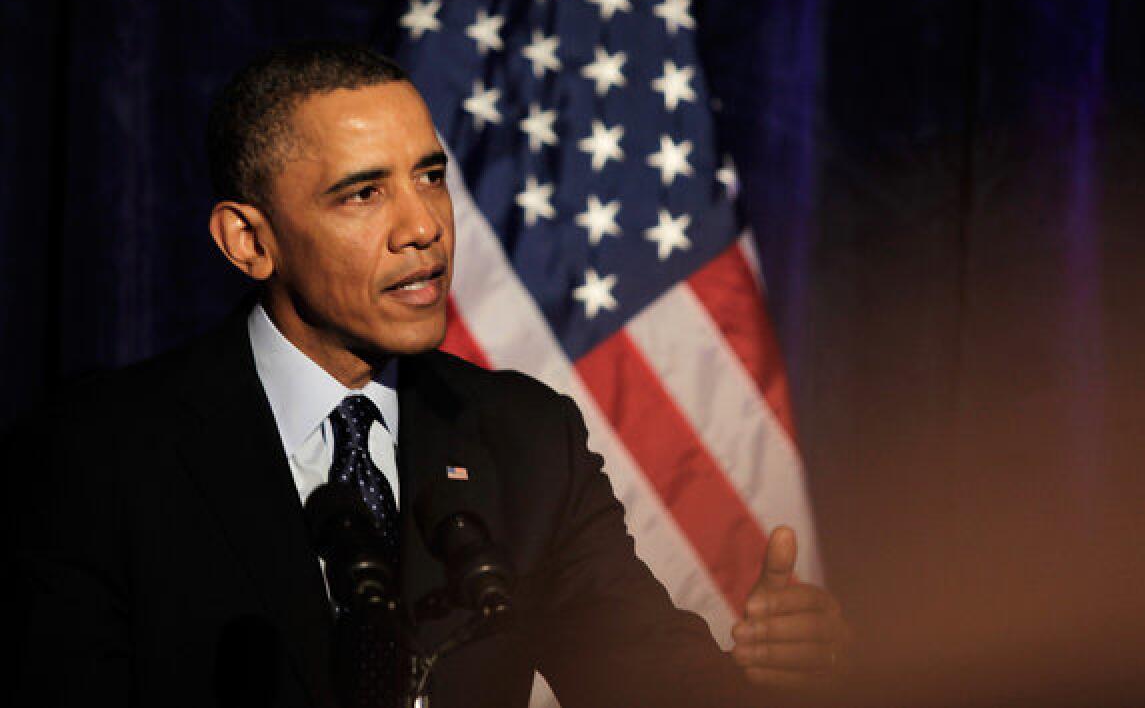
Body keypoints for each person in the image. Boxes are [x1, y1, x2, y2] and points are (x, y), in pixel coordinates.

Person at [18, 43, 851, 707]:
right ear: (250, 241)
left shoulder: (524, 438)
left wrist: (777, 684)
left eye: (430, 176)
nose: (424, 227)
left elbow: (643, 681)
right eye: (361, 194)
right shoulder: (100, 454)